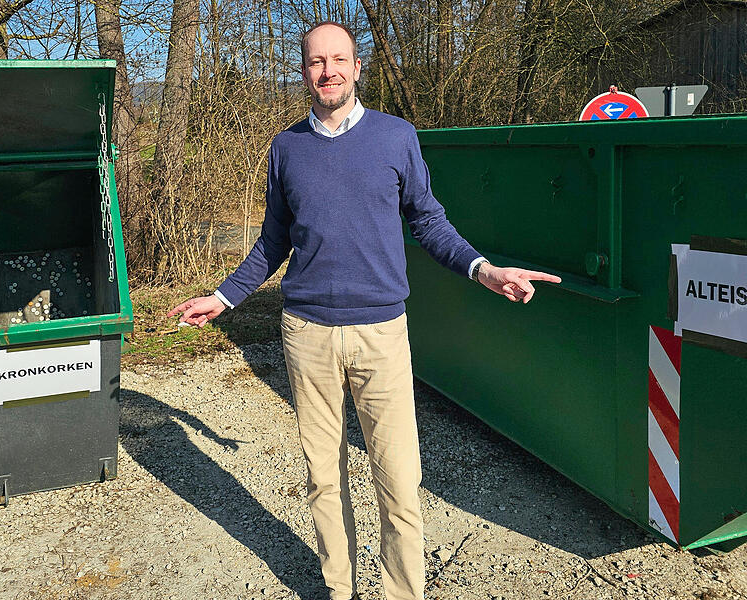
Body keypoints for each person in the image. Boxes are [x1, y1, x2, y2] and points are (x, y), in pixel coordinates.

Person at [168, 21, 561, 600]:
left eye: (338, 60)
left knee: (400, 483)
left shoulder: (397, 137)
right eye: (314, 62)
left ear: (357, 67)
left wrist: (484, 269)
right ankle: (339, 589)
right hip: (307, 334)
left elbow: (428, 220)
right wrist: (225, 296)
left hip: (381, 332)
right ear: (304, 72)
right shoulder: (286, 148)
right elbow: (273, 241)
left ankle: (404, 592)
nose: (327, 71)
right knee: (324, 481)